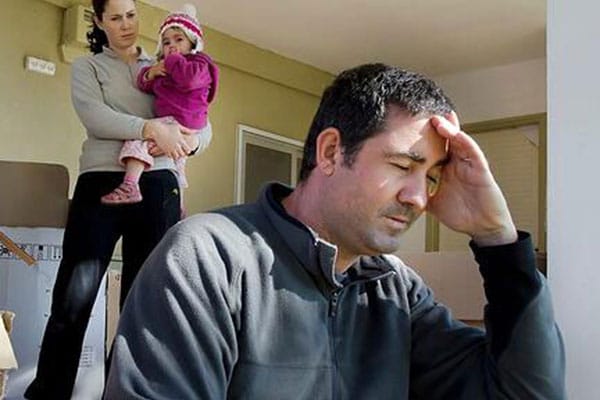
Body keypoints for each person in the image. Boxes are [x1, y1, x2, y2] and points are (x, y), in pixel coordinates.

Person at [105, 64, 566, 399]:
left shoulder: (396, 292)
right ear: (330, 152)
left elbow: (525, 393)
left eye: (430, 176)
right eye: (403, 165)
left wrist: (497, 238)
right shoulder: (209, 259)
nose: (419, 196)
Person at [23, 0, 207, 399]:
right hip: (101, 183)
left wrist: (191, 143)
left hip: (158, 185)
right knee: (74, 296)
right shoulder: (88, 67)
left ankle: (122, 392)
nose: (126, 24)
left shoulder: (163, 62)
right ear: (100, 22)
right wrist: (151, 127)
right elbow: (95, 117)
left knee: (142, 303)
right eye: (116, 17)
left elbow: (201, 118)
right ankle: (49, 393)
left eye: (131, 15)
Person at [101, 3, 218, 216]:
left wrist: (172, 60)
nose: (171, 45)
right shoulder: (165, 67)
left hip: (184, 119)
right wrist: (151, 73)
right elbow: (145, 85)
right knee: (177, 164)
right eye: (166, 42)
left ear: (193, 42)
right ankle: (179, 205)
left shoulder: (199, 63)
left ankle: (130, 184)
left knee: (137, 142)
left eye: (178, 40)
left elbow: (190, 81)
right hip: (173, 122)